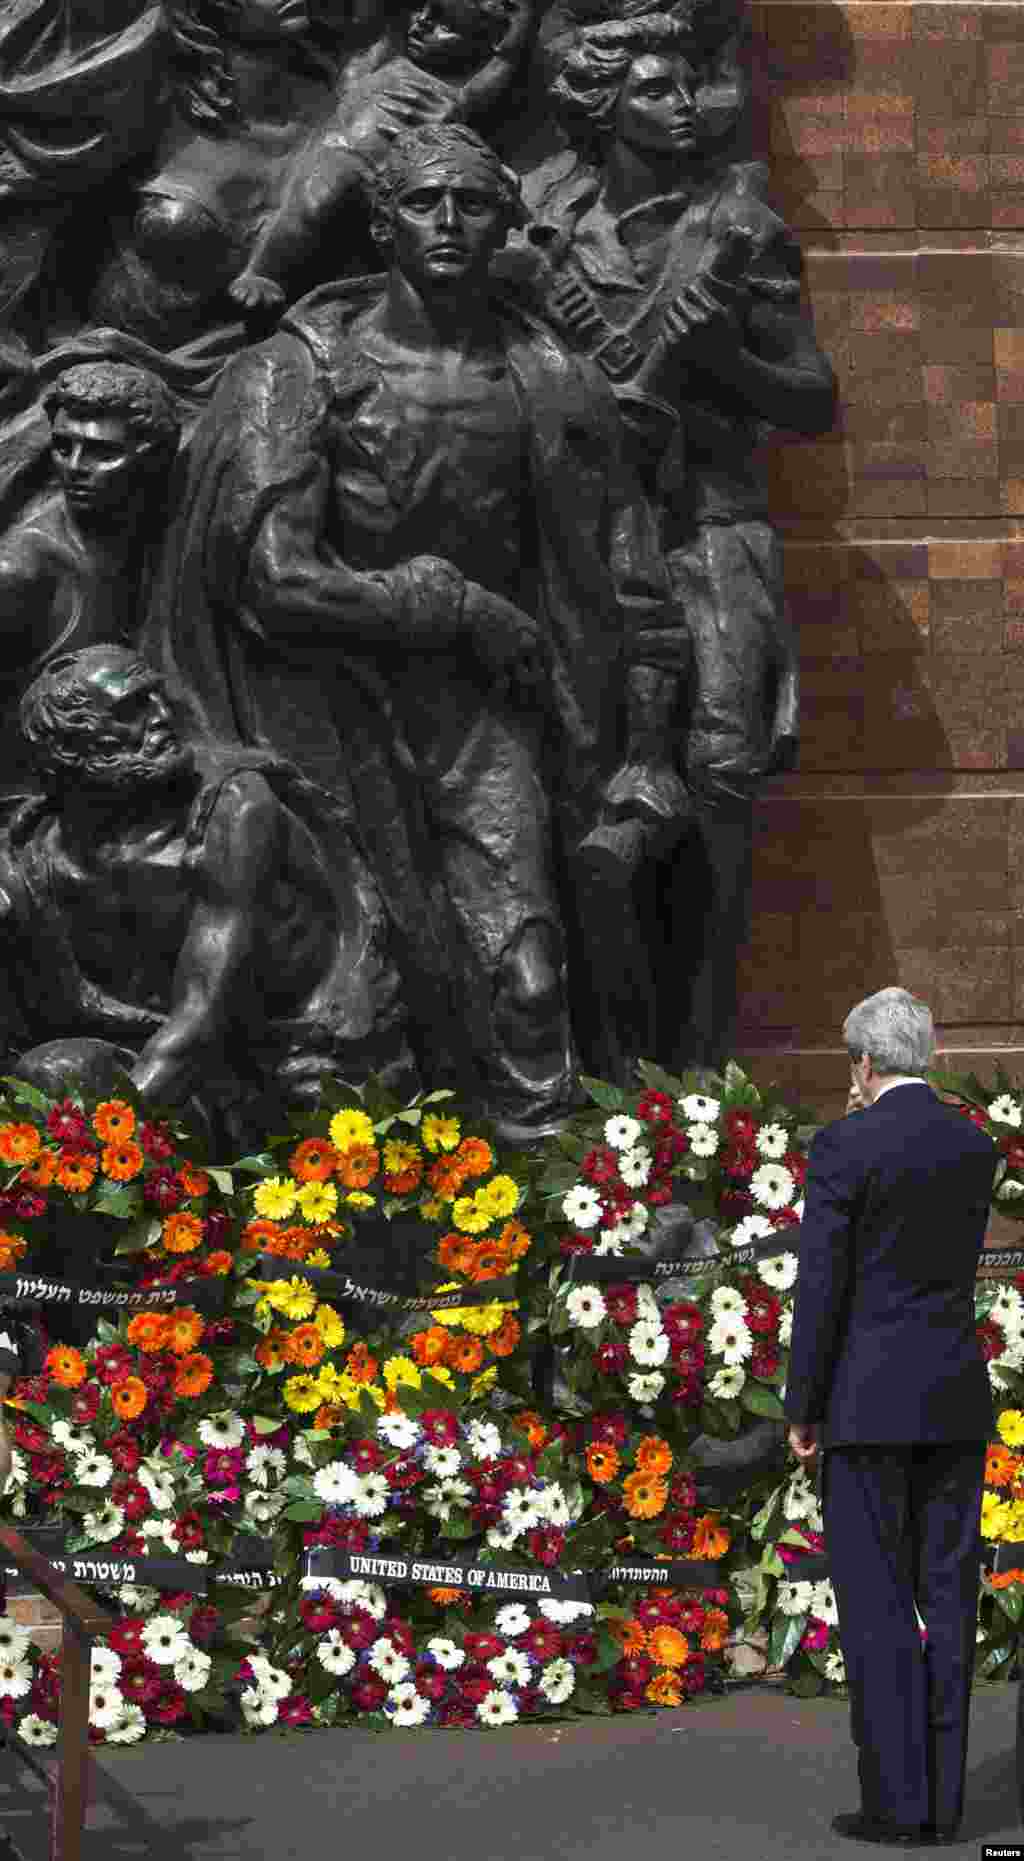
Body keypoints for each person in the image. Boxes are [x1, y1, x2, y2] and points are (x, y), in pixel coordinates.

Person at [147, 122, 676, 1135]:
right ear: (383, 226)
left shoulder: (555, 382)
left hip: (486, 714)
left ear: (505, 224)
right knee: (362, 986)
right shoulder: (294, 371)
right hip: (319, 709)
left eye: (472, 203)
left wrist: (645, 749)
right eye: (423, 202)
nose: (447, 222)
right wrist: (454, 606)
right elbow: (269, 577)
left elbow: (629, 575)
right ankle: (364, 1194)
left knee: (529, 980)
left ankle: (559, 1207)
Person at [523, 10, 836, 1071]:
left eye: (690, 86)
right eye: (654, 90)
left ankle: (701, 1082)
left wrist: (724, 362)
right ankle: (604, 1075)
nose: (685, 105)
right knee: (579, 794)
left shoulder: (738, 229)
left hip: (710, 535)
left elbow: (812, 398)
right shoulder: (538, 230)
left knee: (719, 786)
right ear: (599, 106)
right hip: (576, 546)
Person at [0, 645, 409, 1137]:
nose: (162, 716)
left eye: (158, 696)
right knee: (52, 1073)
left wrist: (99, 1147)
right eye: (133, 708)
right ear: (70, 747)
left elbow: (201, 1014)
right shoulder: (28, 860)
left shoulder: (233, 810)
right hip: (167, 1065)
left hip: (300, 1052)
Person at [784, 986, 998, 1847]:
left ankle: (896, 1803)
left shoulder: (844, 1145)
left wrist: (803, 1405)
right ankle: (942, 1802)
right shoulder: (974, 1145)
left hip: (867, 1403)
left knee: (876, 1604)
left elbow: (823, 1284)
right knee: (947, 1599)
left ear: (864, 1062)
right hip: (952, 1397)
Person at [229, 0, 537, 313]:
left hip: (387, 173)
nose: (422, 24)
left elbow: (506, 59)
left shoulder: (456, 97)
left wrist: (527, 14)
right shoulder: (388, 57)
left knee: (384, 218)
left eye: (445, 26)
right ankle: (262, 271)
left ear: (483, 42)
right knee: (312, 201)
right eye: (424, 10)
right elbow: (385, 22)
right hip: (341, 149)